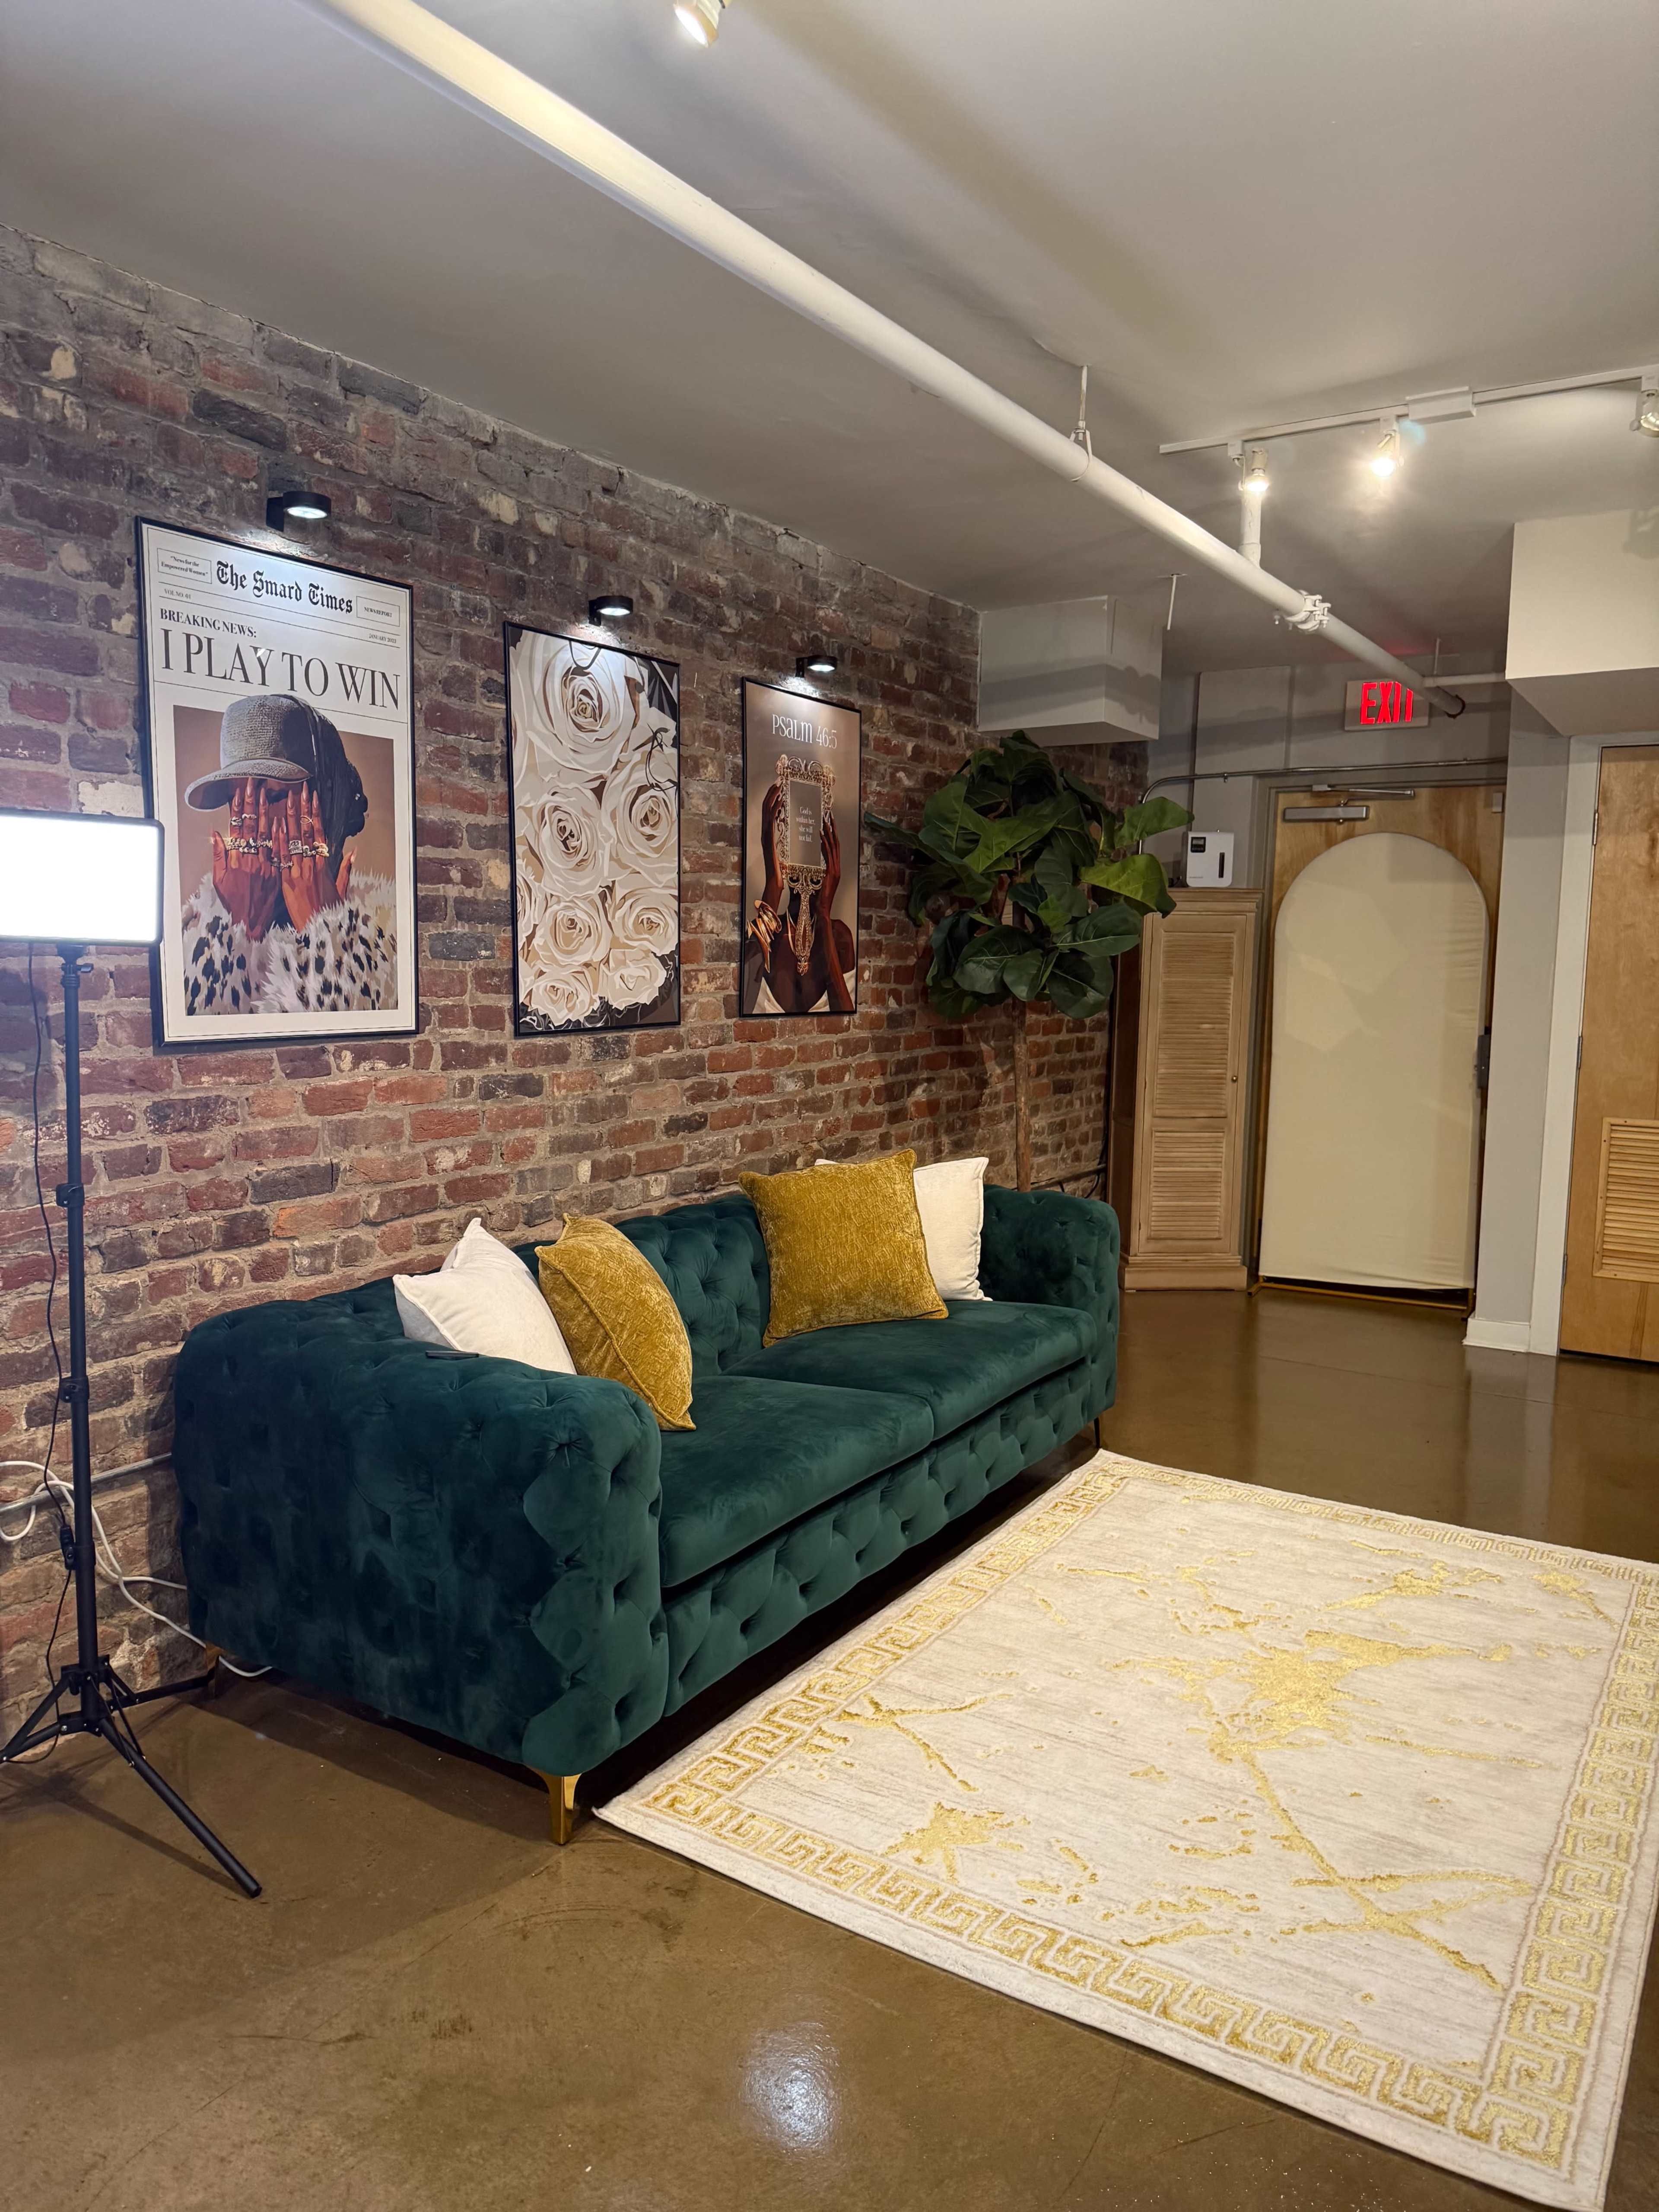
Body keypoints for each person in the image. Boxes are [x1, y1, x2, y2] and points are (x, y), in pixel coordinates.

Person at [178, 693, 395, 1016]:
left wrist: (328, 935)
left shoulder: (385, 931)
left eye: (276, 795)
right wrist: (235, 935)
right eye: (238, 801)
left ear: (325, 798)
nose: (254, 822)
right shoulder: (194, 934)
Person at [743, 779, 855, 1015]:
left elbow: (845, 1020)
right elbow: (742, 1001)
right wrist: (773, 884)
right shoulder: (767, 935)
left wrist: (824, 914)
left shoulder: (840, 938)